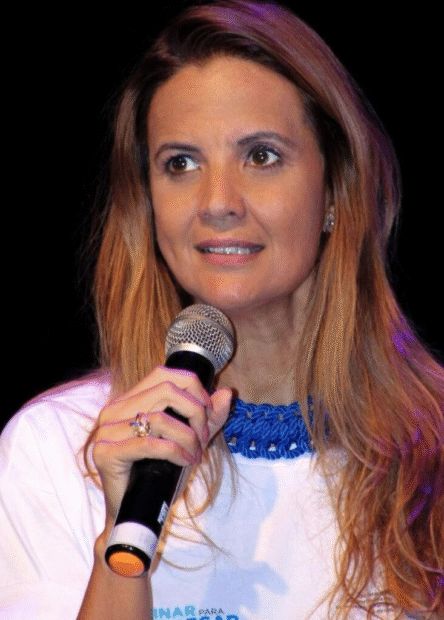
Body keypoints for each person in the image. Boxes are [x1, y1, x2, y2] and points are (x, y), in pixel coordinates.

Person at [1, 1, 443, 619]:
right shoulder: (58, 447)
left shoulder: (432, 442)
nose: (217, 202)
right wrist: (120, 548)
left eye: (261, 156)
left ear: (335, 190)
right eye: (180, 164)